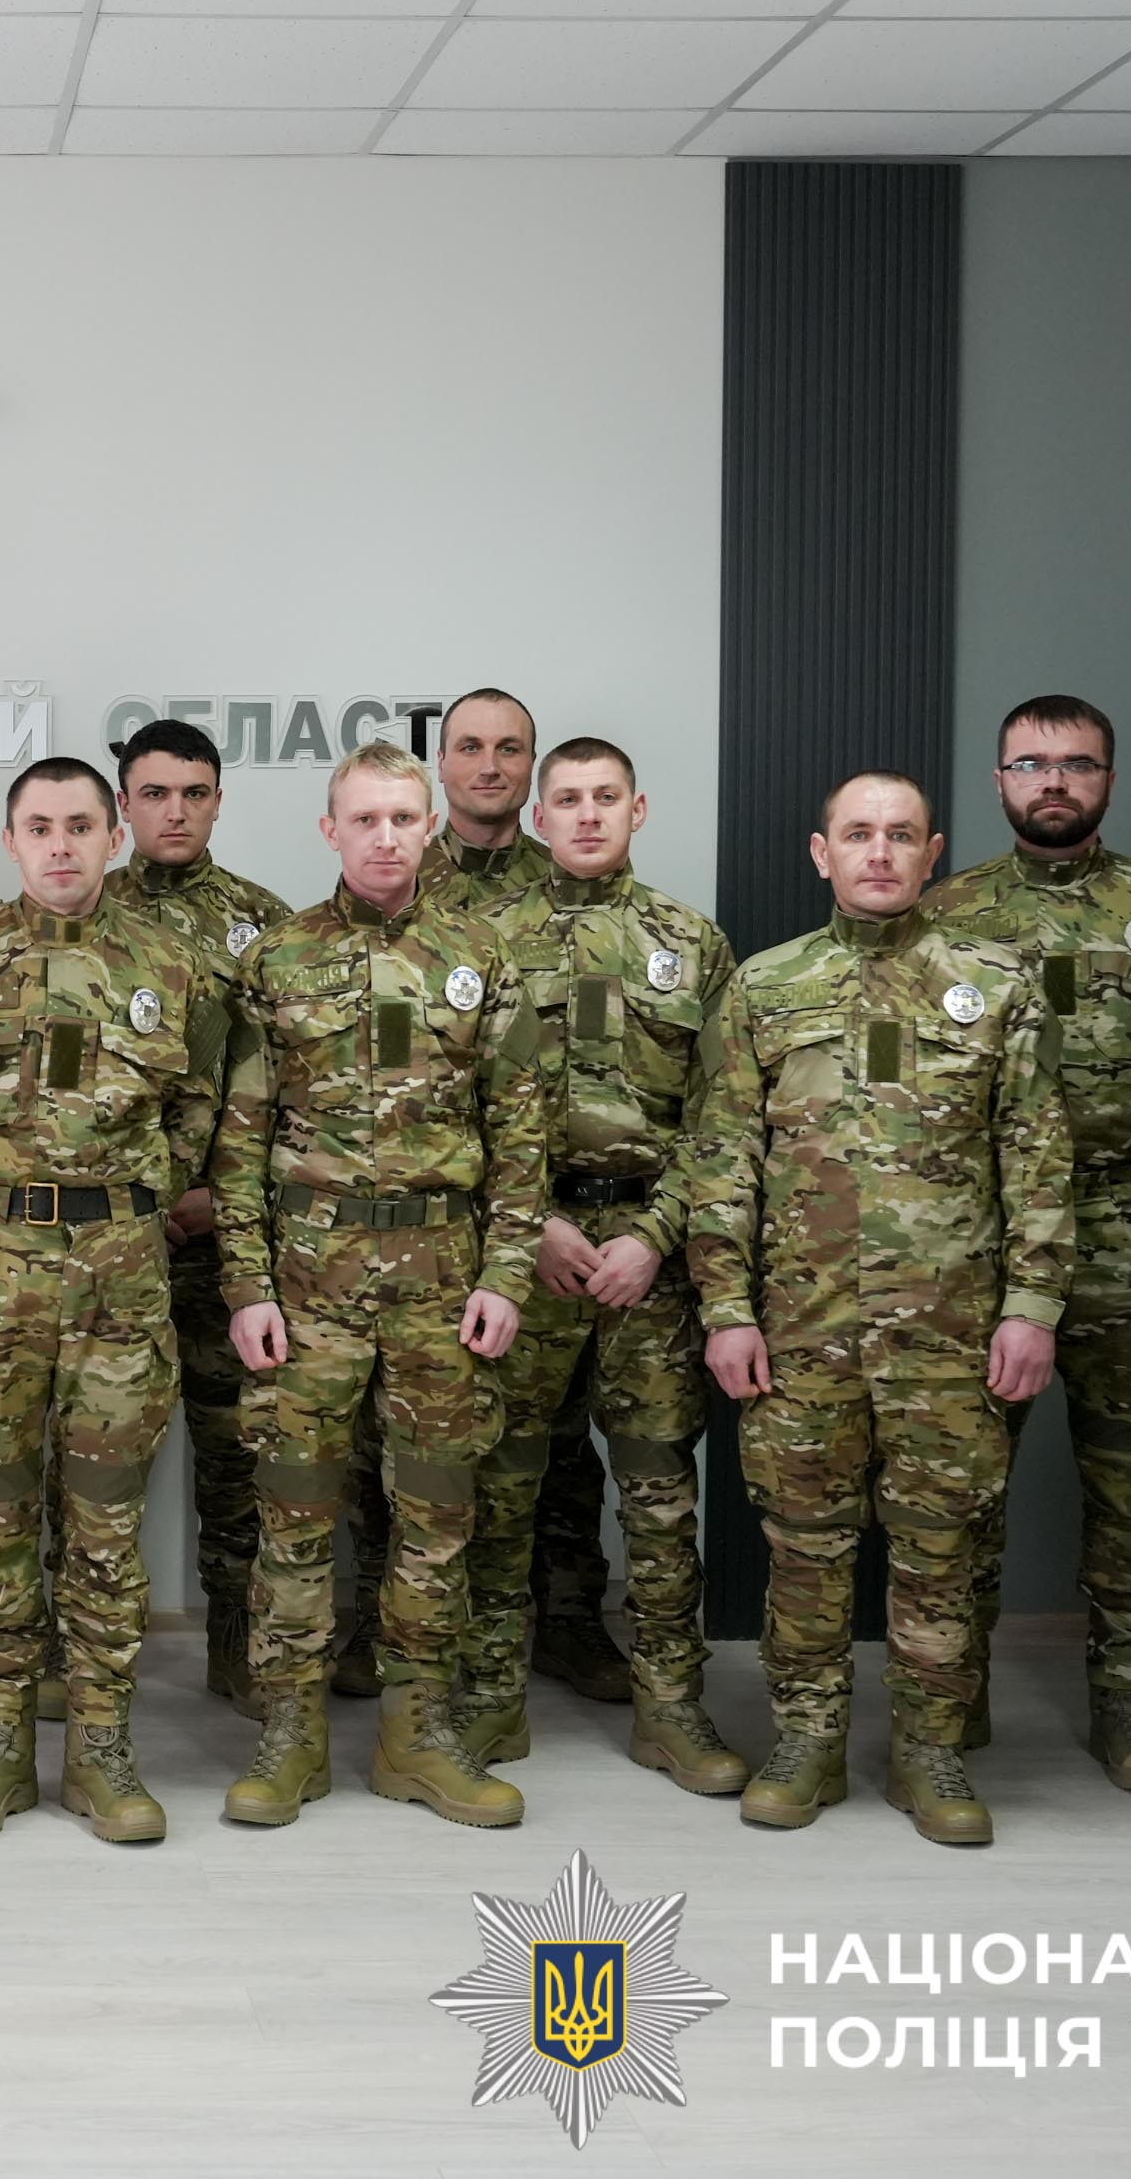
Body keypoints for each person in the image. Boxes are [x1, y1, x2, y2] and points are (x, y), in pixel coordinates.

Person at [690, 772, 1071, 1847]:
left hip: (949, 1331)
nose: (880, 852)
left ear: (932, 852)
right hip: (802, 1327)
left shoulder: (996, 983)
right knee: (804, 1547)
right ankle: (806, 1742)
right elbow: (723, 1158)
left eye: (902, 834)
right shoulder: (766, 986)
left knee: (939, 1549)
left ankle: (928, 1750)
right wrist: (726, 1306)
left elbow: (1038, 1155)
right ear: (823, 854)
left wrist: (1033, 1304)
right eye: (858, 834)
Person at [213, 740, 545, 1832]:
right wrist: (247, 1285)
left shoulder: (482, 958)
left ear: (430, 825)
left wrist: (507, 1272)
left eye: (405, 817)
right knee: (295, 1511)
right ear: (331, 830)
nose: (387, 837)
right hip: (309, 1283)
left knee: (437, 1513)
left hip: (444, 1281)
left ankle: (417, 1733)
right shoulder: (278, 960)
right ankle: (290, 1733)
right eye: (365, 819)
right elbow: (239, 1143)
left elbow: (520, 1135)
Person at [0, 759, 223, 1842]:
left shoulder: (170, 964)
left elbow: (199, 1110)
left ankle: (101, 1746)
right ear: (11, 839)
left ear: (115, 834)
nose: (62, 845)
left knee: (107, 1524)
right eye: (39, 827)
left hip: (121, 1277)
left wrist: (139, 1201)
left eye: (81, 824)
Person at [924, 694, 1131, 1794]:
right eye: (1030, 763)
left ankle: (1129, 1700)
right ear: (998, 778)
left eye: (1077, 764)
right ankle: (952, 1697)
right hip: (985, 1242)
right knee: (963, 1485)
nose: (1053, 781)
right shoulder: (947, 912)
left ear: (1108, 779)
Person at [462, 739, 745, 1796]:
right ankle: (488, 1694)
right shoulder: (483, 941)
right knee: (501, 1483)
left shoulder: (691, 942)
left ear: (638, 809)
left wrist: (658, 1232)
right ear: (538, 817)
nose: (587, 816)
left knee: (661, 1493)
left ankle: (671, 1707)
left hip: (647, 1262)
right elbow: (450, 1104)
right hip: (525, 1250)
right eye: (568, 800)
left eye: (605, 798)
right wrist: (528, 1221)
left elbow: (726, 1117)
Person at [417, 686, 624, 1710]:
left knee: (567, 1445)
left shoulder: (570, 882)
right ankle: (422, 1637)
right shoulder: (403, 879)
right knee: (442, 1438)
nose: (490, 765)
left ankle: (571, 1619)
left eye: (510, 748)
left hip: (593, 1214)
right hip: (469, 1217)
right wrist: (517, 1214)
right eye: (470, 747)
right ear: (441, 763)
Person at [98, 717, 287, 1714]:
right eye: (156, 793)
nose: (175, 812)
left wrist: (220, 1197)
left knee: (238, 1452)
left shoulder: (269, 925)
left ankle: (237, 1643)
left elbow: (301, 1089)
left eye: (195, 793)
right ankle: (87, 1653)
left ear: (219, 801)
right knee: (93, 1453)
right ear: (123, 803)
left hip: (229, 1234)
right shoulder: (78, 911)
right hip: (106, 1236)